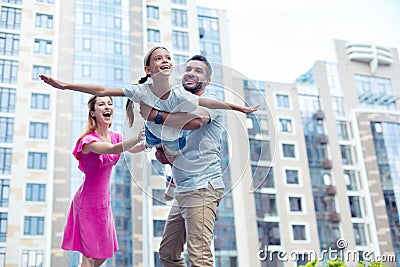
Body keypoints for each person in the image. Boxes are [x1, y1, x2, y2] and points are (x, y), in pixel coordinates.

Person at [39, 46, 258, 160]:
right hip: (153, 134)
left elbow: (208, 102)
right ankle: (154, 148)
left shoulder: (179, 93)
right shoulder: (140, 90)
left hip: (176, 139)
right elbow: (103, 90)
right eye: (159, 59)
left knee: (175, 150)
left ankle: (170, 172)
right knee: (149, 142)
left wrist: (240, 108)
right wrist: (66, 86)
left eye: (168, 58)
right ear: (148, 70)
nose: (165, 61)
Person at [139, 55, 233, 266]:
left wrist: (156, 116)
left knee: (199, 256)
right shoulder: (177, 108)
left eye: (198, 71)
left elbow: (196, 121)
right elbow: (171, 151)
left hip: (202, 188)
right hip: (183, 189)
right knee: (168, 253)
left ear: (207, 81)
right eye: (188, 69)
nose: (191, 73)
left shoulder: (212, 102)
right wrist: (163, 154)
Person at [63, 95, 144, 267]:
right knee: (89, 255)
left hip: (104, 204)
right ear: (93, 113)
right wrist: (137, 137)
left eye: (110, 103)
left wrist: (151, 140)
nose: (107, 106)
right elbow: (113, 149)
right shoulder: (88, 141)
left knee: (104, 253)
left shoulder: (115, 136)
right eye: (101, 104)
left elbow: (135, 148)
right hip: (86, 203)